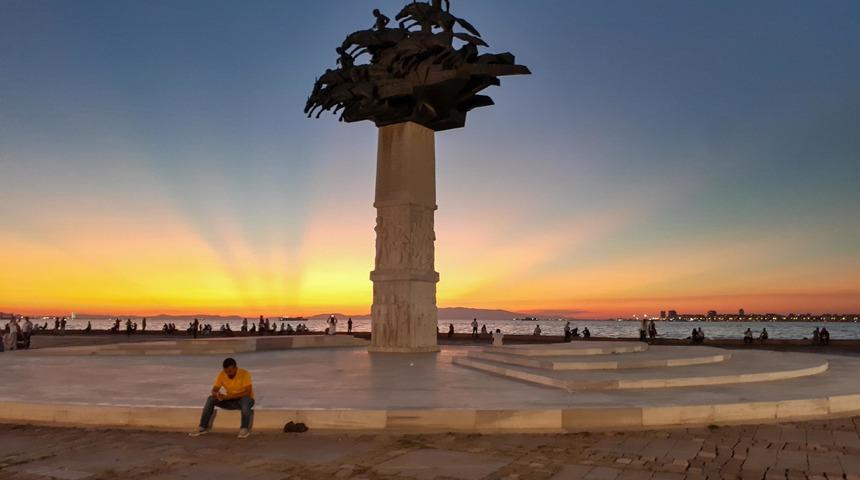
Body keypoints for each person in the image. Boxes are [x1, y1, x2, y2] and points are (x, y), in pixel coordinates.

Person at [190, 358, 255, 439]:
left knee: (245, 399)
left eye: (230, 371)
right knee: (211, 399)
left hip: (244, 401)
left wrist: (230, 396)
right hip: (230, 400)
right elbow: (214, 389)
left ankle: (244, 429)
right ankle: (202, 427)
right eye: (226, 371)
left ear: (235, 368)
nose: (228, 373)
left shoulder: (244, 373)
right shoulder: (222, 374)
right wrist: (217, 394)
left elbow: (248, 392)